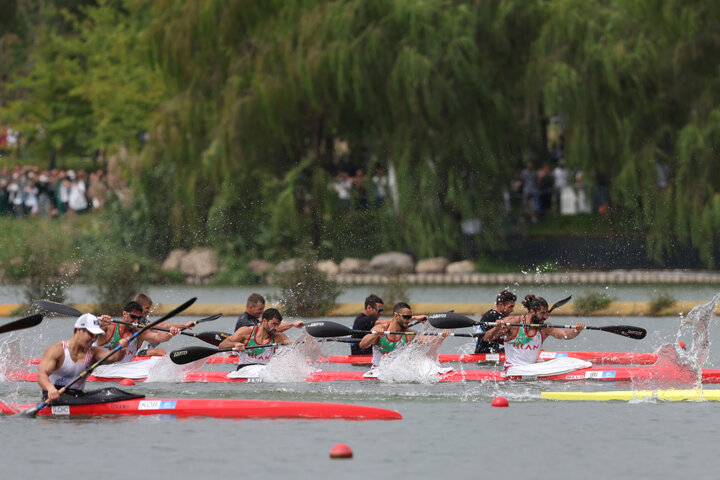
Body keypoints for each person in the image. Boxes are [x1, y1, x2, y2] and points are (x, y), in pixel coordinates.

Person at [37, 313, 128, 402]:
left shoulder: (93, 352)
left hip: (78, 396)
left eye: (96, 336)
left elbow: (113, 358)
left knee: (112, 392)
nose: (93, 339)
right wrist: (50, 388)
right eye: (91, 335)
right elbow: (41, 375)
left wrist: (121, 350)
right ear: (79, 330)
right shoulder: (57, 350)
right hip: (55, 397)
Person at [481, 294, 585, 373]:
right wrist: (496, 328)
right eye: (542, 313)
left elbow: (565, 334)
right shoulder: (512, 323)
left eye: (546, 313)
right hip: (512, 370)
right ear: (532, 311)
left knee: (570, 362)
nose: (546, 317)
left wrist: (576, 330)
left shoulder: (545, 328)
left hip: (531, 369)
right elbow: (487, 338)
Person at [358, 302, 449, 370]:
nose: (408, 320)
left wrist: (441, 335)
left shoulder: (408, 334)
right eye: (406, 317)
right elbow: (362, 344)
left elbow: (429, 340)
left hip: (396, 373)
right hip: (378, 372)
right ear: (396, 316)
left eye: (410, 317)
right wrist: (375, 335)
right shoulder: (379, 328)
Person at [96, 301, 182, 362]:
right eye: (133, 317)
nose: (136, 321)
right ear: (124, 314)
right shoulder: (108, 327)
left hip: (124, 370)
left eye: (138, 318)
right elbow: (86, 332)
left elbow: (158, 337)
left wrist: (170, 333)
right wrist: (99, 323)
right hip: (102, 368)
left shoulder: (139, 332)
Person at [219, 308, 291, 371]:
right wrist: (235, 344)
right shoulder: (246, 332)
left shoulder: (278, 337)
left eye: (278, 325)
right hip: (244, 369)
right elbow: (222, 345)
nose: (276, 328)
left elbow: (294, 344)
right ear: (264, 321)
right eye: (274, 324)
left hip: (265, 371)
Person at [234, 293, 303, 332]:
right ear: (250, 307)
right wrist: (293, 324)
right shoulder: (245, 322)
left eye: (263, 308)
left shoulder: (252, 319)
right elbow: (271, 329)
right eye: (260, 309)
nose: (262, 311)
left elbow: (271, 325)